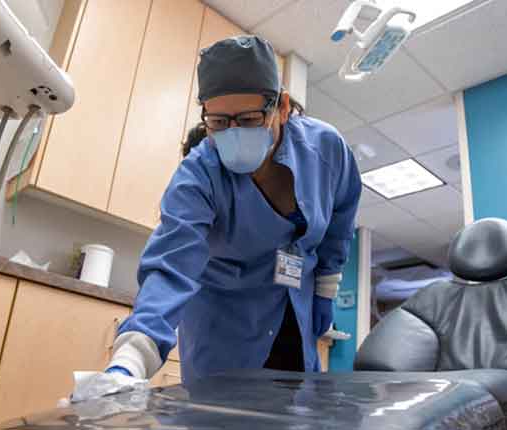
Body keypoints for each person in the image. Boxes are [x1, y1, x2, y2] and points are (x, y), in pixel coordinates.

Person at [105, 35, 362, 384]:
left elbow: (340, 217)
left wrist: (325, 288)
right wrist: (130, 360)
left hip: (295, 313)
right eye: (220, 122)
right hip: (223, 328)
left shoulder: (326, 150)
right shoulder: (199, 176)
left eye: (249, 119)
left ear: (282, 108)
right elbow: (170, 265)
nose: (234, 133)